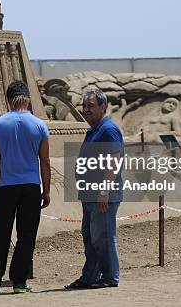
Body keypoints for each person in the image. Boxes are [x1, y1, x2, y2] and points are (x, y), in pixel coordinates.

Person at [0, 81, 51, 294]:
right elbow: (44, 161)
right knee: (26, 235)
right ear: (27, 98)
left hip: (7, 186)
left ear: (8, 99)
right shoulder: (39, 125)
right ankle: (19, 282)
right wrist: (46, 190)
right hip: (31, 186)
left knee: (0, 234)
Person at [66, 88, 124, 290]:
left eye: (91, 106)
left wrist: (104, 191)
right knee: (90, 238)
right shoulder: (93, 130)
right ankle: (89, 277)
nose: (86, 109)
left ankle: (110, 277)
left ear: (103, 107)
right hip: (89, 194)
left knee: (104, 236)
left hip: (102, 195)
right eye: (84, 106)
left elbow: (113, 163)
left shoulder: (109, 130)